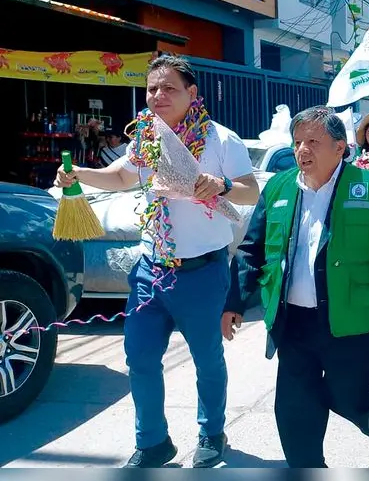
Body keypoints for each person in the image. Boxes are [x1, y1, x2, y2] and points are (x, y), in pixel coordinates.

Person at [55, 54, 260, 468]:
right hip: (151, 270)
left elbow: (251, 191)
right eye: (152, 88)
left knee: (207, 359)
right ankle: (152, 442)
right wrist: (79, 173)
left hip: (202, 271)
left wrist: (220, 185)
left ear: (192, 93)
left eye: (168, 88)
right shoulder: (146, 139)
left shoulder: (221, 139)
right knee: (140, 357)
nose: (158, 95)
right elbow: (120, 177)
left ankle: (211, 432)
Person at [222, 106, 369, 467]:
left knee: (350, 398)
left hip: (350, 323)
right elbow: (252, 248)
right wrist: (234, 301)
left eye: (313, 141)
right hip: (294, 324)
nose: (302, 150)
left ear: (340, 147)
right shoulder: (279, 186)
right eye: (297, 142)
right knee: (294, 411)